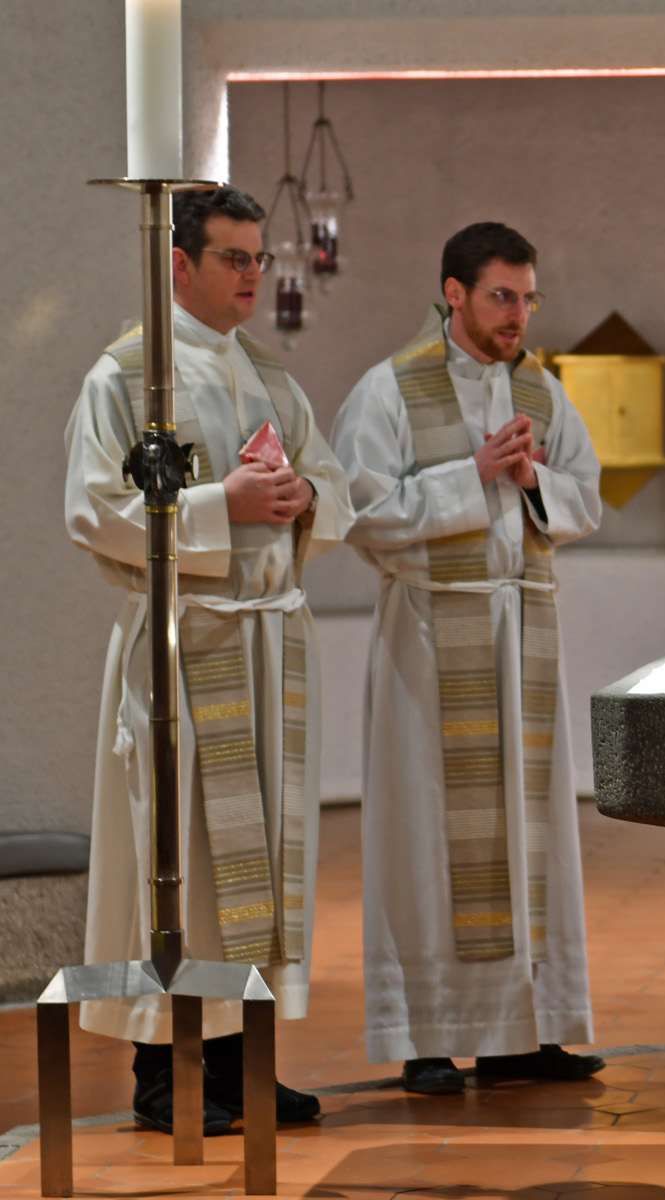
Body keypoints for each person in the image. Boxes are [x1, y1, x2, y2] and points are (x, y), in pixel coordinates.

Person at [64, 185, 354, 1133]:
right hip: (186, 649)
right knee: (178, 861)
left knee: (257, 870)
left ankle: (245, 1068)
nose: (252, 277)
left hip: (266, 643)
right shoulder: (125, 377)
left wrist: (303, 491)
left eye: (259, 259)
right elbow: (91, 508)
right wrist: (216, 507)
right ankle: (165, 1076)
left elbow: (335, 480)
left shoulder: (269, 374)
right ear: (178, 265)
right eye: (234, 258)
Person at [331, 222, 604, 1095]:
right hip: (430, 642)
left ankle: (524, 1033)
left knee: (534, 842)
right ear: (453, 292)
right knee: (427, 839)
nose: (518, 314)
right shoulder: (388, 390)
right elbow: (360, 515)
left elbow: (585, 500)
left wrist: (532, 487)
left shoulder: (546, 395)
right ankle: (425, 1034)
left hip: (522, 638)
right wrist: (476, 473)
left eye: (528, 298)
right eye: (501, 296)